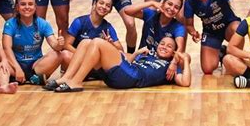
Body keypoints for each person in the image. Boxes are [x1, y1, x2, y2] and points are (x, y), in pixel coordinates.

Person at [44, 37, 191, 92]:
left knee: (97, 42)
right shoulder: (148, 54)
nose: (164, 46)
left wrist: (175, 61)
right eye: (162, 43)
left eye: (169, 46)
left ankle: (76, 82)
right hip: (124, 72)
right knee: (86, 42)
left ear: (174, 52)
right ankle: (67, 77)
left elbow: (185, 79)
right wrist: (136, 53)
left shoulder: (170, 69)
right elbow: (126, 59)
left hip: (131, 78)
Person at [184, 0, 249, 74]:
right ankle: (222, 53)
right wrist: (193, 32)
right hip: (211, 32)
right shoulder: (189, 3)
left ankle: (236, 57)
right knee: (208, 69)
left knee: (237, 28)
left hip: (229, 26)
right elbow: (188, 25)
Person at [2, 0, 65, 85]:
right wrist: (17, 68)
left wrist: (59, 44)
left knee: (58, 55)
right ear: (17, 7)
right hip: (16, 63)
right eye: (23, 4)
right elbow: (6, 48)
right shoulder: (10, 24)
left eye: (30, 4)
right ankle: (24, 76)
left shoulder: (43, 24)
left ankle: (30, 77)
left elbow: (55, 46)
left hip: (35, 65)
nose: (27, 7)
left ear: (35, 7)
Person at [61, 0, 123, 72]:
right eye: (101, 3)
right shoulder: (79, 22)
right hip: (79, 61)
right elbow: (67, 45)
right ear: (94, 4)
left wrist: (111, 44)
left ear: (110, 10)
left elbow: (121, 51)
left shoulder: (108, 28)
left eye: (108, 6)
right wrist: (83, 56)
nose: (104, 7)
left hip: (96, 65)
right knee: (65, 54)